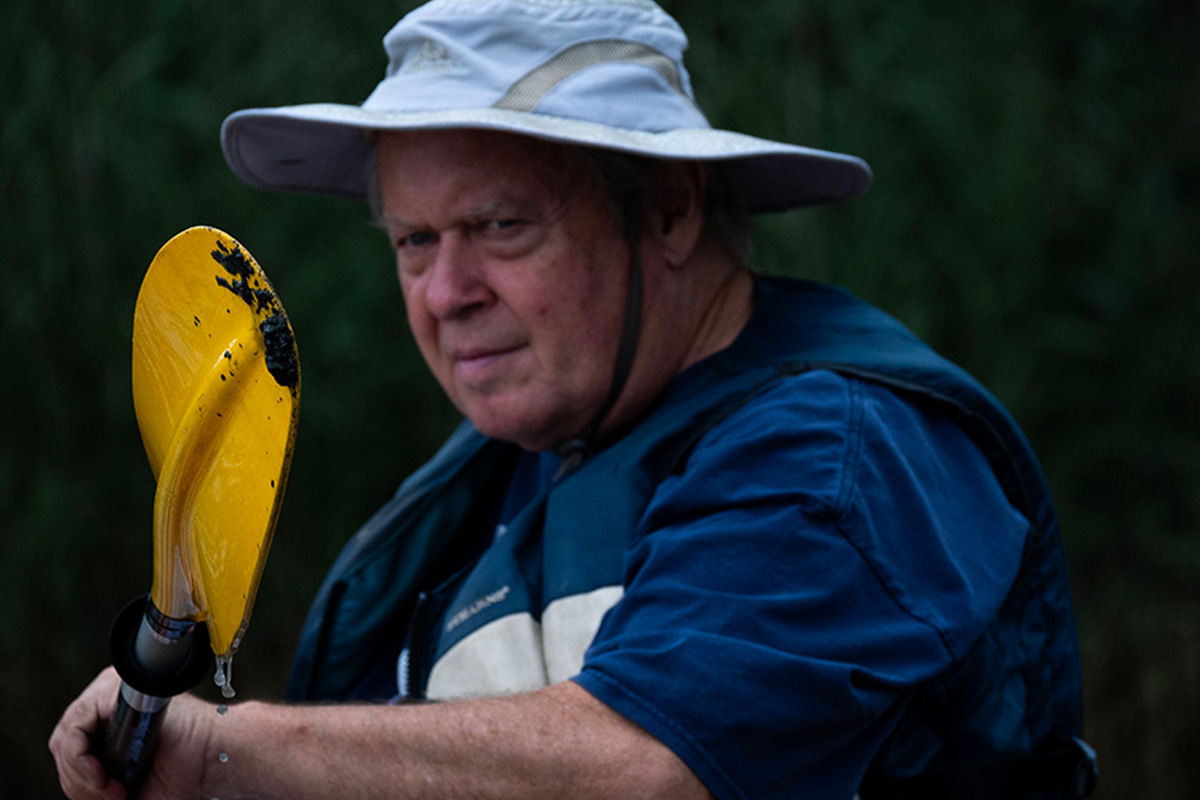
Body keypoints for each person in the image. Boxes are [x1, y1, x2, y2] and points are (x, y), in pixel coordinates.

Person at [50, 1, 1097, 798]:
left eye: (502, 227)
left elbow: (651, 763)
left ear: (674, 209)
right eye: (415, 240)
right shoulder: (502, 479)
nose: (447, 294)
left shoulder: (838, 452)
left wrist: (234, 751)